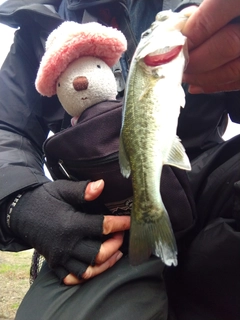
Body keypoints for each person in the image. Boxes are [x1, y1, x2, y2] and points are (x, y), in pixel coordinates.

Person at [0, 0, 239, 319]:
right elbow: (6, 125)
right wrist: (19, 199)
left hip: (208, 182)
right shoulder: (39, 22)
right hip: (101, 215)